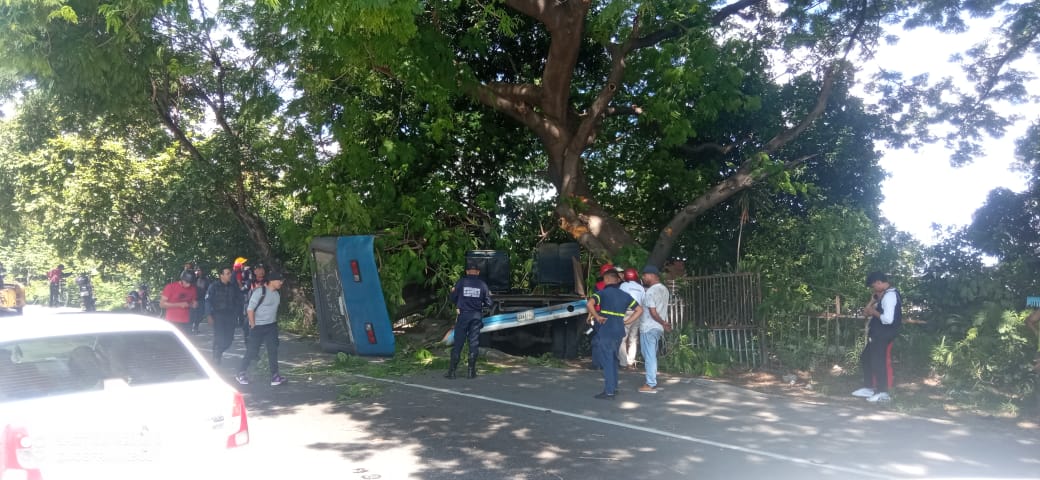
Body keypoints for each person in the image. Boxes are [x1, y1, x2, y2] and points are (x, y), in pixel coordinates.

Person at [586, 267, 642, 400]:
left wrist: (597, 317)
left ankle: (609, 391)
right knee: (614, 359)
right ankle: (614, 387)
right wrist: (628, 321)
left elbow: (589, 304)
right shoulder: (625, 295)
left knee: (608, 360)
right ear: (617, 280)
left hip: (606, 329)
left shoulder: (602, 293)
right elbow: (639, 310)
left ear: (606, 279)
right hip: (619, 329)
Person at [852, 271, 902, 403]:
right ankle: (869, 387)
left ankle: (883, 392)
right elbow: (866, 312)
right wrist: (873, 302)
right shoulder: (883, 295)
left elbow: (888, 319)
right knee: (866, 357)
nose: (873, 289)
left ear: (879, 283)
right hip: (876, 334)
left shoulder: (890, 296)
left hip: (883, 334)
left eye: (874, 286)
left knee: (878, 362)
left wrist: (874, 311)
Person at [236, 270, 286, 386]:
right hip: (257, 326)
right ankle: (240, 372)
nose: (281, 283)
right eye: (280, 281)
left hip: (271, 326)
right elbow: (250, 309)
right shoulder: (260, 292)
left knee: (273, 350)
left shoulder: (277, 294)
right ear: (272, 281)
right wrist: (253, 325)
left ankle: (275, 376)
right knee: (252, 351)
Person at [445, 259, 492, 379]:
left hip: (463, 316)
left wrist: (455, 296)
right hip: (476, 317)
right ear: (477, 272)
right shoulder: (483, 285)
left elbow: (453, 298)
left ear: (467, 272)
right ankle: (471, 372)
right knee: (473, 343)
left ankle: (452, 372)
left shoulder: (461, 283)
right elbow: (489, 303)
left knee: (458, 343)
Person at [638, 265, 672, 393]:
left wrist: (663, 322)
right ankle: (651, 378)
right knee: (650, 354)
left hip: (648, 327)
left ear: (652, 275)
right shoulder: (664, 290)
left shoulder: (651, 292)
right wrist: (663, 324)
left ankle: (650, 383)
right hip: (657, 328)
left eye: (645, 275)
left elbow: (653, 312)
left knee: (649, 355)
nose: (643, 277)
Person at [206, 267, 242, 365]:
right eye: (227, 273)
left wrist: (238, 313)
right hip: (218, 315)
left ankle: (218, 352)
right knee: (219, 337)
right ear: (221, 275)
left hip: (231, 316)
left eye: (230, 273)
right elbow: (208, 301)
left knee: (229, 340)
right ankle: (216, 356)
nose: (230, 275)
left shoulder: (233, 287)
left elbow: (239, 300)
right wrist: (209, 315)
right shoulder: (213, 286)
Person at [618, 267, 644, 370]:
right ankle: (631, 362)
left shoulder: (623, 285)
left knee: (622, 338)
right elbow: (642, 301)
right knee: (633, 338)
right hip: (638, 312)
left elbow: (619, 298)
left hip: (626, 312)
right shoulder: (640, 287)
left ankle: (623, 363)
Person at [160, 270, 199, 335]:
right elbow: (162, 304)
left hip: (187, 322)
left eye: (190, 283)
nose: (188, 285)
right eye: (186, 282)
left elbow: (194, 302)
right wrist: (179, 305)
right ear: (182, 279)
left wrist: (194, 305)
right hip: (172, 321)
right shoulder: (170, 287)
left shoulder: (193, 289)